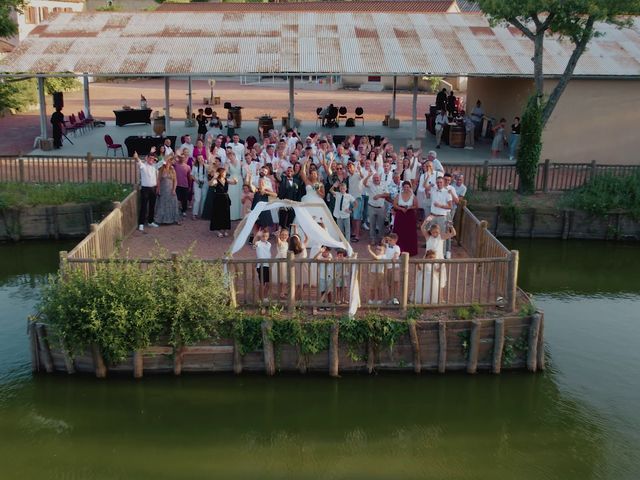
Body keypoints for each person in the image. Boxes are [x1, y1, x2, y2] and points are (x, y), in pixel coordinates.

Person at [135, 151, 161, 231]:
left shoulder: (155, 166)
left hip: (153, 188)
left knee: (152, 206)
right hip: (145, 189)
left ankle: (150, 221)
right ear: (147, 158)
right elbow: (138, 161)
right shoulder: (143, 165)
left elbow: (163, 161)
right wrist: (136, 157)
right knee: (144, 207)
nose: (151, 160)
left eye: (153, 159)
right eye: (150, 158)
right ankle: (141, 224)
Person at [392, 181, 418, 256]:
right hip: (400, 214)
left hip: (409, 215)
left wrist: (410, 207)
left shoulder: (413, 196)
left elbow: (416, 205)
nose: (406, 188)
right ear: (402, 187)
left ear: (410, 187)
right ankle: (398, 250)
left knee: (409, 232)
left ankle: (410, 250)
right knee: (399, 231)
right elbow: (394, 205)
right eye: (405, 187)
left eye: (408, 187)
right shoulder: (399, 195)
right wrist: (401, 208)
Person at [427, 175, 453, 250]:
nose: (439, 184)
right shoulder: (433, 190)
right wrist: (429, 184)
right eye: (437, 182)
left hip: (442, 217)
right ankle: (432, 251)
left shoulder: (447, 192)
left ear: (443, 182)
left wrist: (440, 205)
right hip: (432, 216)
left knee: (442, 236)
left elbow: (450, 206)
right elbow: (425, 189)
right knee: (431, 234)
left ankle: (443, 253)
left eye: (441, 182)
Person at [209, 167, 237, 237]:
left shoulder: (226, 180)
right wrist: (214, 177)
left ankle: (225, 230)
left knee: (226, 214)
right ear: (221, 173)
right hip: (218, 199)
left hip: (225, 198)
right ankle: (217, 231)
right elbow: (210, 184)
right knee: (218, 214)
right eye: (224, 172)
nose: (225, 173)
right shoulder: (216, 180)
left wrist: (236, 180)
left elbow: (234, 183)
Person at [363, 172, 389, 246]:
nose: (376, 179)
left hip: (381, 208)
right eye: (375, 178)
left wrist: (379, 195)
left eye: (377, 178)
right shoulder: (370, 184)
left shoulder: (384, 184)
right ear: (373, 179)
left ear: (380, 178)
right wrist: (368, 175)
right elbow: (364, 183)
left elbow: (387, 194)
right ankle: (373, 239)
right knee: (372, 224)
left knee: (381, 225)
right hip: (371, 207)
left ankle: (381, 239)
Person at [154, 156, 181, 225]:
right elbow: (158, 180)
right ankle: (160, 220)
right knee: (162, 204)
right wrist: (158, 188)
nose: (168, 163)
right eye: (167, 161)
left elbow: (175, 181)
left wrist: (174, 189)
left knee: (172, 204)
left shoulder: (172, 170)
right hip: (163, 190)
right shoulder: (161, 169)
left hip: (170, 190)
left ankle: (174, 219)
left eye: (170, 161)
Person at [253, 228, 272, 303]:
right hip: (261, 265)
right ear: (261, 236)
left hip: (268, 265)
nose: (264, 237)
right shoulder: (258, 243)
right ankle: (260, 299)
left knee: (268, 283)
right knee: (262, 283)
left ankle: (265, 296)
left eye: (266, 236)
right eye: (263, 236)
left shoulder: (269, 244)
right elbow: (254, 244)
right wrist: (256, 235)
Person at [314, 246, 334, 310]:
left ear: (329, 251)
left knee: (329, 291)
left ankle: (329, 305)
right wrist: (319, 252)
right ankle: (322, 304)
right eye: (324, 251)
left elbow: (328, 259)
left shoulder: (330, 255)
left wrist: (319, 260)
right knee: (322, 291)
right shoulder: (320, 254)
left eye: (326, 251)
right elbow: (314, 258)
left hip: (329, 276)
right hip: (321, 276)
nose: (325, 253)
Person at [383, 234, 401, 305]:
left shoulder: (397, 247)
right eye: (389, 240)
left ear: (395, 240)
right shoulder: (387, 246)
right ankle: (391, 297)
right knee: (389, 283)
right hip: (388, 267)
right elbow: (383, 242)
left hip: (395, 267)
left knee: (395, 282)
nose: (389, 241)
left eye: (391, 240)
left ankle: (395, 297)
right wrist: (386, 238)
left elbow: (397, 253)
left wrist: (394, 257)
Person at [226, 151, 244, 221]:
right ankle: (232, 215)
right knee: (232, 196)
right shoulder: (228, 164)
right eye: (229, 156)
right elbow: (226, 173)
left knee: (239, 196)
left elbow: (244, 171)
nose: (231, 157)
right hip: (231, 180)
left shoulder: (240, 163)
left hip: (239, 180)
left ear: (234, 155)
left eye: (232, 156)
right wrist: (226, 166)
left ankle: (240, 215)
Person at [190, 154, 208, 219]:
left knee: (203, 198)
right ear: (197, 160)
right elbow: (191, 175)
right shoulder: (195, 167)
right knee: (197, 199)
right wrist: (197, 181)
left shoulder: (206, 166)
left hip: (205, 183)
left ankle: (202, 213)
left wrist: (206, 165)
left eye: (202, 158)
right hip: (197, 183)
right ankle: (194, 214)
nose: (201, 159)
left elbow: (210, 173)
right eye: (199, 158)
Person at [274, 228, 290, 299]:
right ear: (280, 236)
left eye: (286, 235)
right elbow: (279, 242)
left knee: (284, 279)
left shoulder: (287, 243)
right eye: (282, 235)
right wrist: (277, 236)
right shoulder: (279, 241)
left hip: (286, 261)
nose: (284, 236)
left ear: (288, 236)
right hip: (280, 262)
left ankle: (283, 292)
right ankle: (281, 293)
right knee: (281, 279)